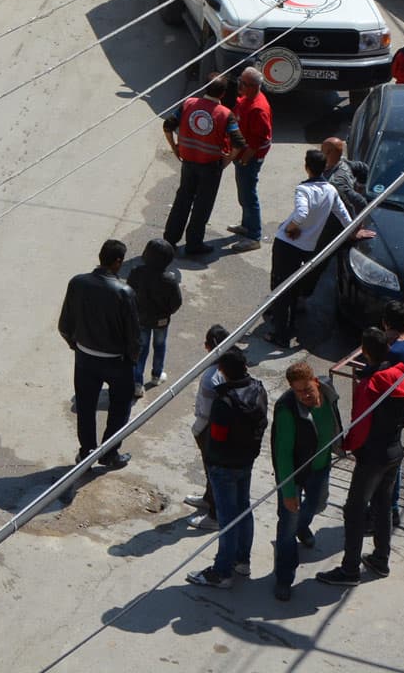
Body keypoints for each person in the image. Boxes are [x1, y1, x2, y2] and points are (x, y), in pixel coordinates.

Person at [319, 328, 404, 586]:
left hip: (371, 455)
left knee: (355, 510)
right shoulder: (400, 375)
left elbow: (360, 423)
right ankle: (381, 559)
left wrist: (347, 445)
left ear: (365, 351)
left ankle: (349, 570)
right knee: (383, 505)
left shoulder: (370, 384)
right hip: (394, 449)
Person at [58, 238, 143, 468]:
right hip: (117, 363)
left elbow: (65, 325)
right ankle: (109, 453)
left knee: (86, 408)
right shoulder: (124, 292)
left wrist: (75, 345)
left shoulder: (77, 282)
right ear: (118, 262)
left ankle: (86, 452)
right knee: (120, 409)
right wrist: (132, 361)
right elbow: (134, 337)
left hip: (85, 359)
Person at [188, 350, 268, 589]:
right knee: (244, 509)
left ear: (223, 371)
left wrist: (211, 461)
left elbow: (218, 438)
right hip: (246, 461)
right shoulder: (258, 389)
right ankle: (242, 560)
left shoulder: (223, 402)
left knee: (227, 518)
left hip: (223, 466)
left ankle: (222, 572)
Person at [269, 359, 341, 601]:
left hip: (320, 468)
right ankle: (284, 576)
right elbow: (283, 454)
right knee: (287, 525)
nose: (304, 396)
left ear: (316, 382)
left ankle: (303, 524)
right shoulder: (287, 410)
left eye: (307, 389)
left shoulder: (328, 394)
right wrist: (288, 492)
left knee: (318, 504)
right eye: (298, 391)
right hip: (294, 474)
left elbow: (335, 425)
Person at [268, 149, 344, 349]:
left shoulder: (304, 190)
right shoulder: (331, 190)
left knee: (281, 287)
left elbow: (301, 214)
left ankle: (280, 334)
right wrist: (355, 231)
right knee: (294, 288)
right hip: (306, 248)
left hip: (287, 245)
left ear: (307, 168)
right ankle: (290, 326)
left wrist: (292, 227)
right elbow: (344, 215)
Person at [164, 76, 238, 258]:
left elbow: (167, 126)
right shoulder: (225, 114)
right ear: (223, 93)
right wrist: (227, 161)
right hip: (211, 166)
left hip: (188, 163)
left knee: (182, 201)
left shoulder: (188, 104)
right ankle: (194, 244)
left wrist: (174, 147)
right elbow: (239, 143)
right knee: (202, 206)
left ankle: (169, 241)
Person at [188, 322, 232, 528]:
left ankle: (214, 515)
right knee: (210, 469)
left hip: (210, 429)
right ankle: (208, 499)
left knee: (214, 471)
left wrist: (197, 430)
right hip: (217, 428)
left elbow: (206, 413)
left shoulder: (211, 377)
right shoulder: (228, 366)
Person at [127, 237, 184, 390]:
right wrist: (167, 312)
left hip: (141, 318)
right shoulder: (170, 280)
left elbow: (129, 294)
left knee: (141, 349)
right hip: (161, 320)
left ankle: (137, 382)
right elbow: (177, 302)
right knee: (159, 346)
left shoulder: (136, 273)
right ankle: (156, 375)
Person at [227, 66, 274, 249]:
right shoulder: (246, 99)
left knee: (248, 195)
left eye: (243, 83)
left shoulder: (258, 109)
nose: (240, 85)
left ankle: (254, 236)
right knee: (243, 193)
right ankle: (246, 226)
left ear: (254, 86)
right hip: (242, 155)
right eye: (240, 81)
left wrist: (245, 158)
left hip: (249, 158)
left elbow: (260, 140)